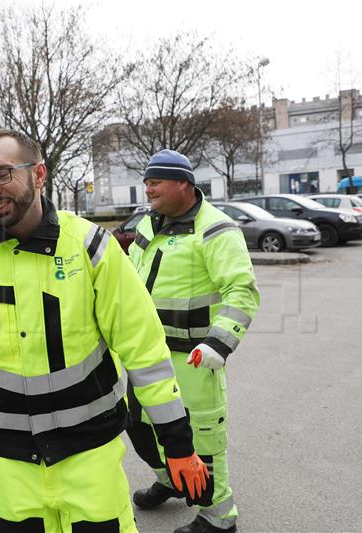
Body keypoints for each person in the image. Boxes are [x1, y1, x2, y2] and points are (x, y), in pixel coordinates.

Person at [0, 130, 209, 532]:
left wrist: (178, 445)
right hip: (10, 468)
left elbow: (144, 351)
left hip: (90, 457)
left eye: (3, 173)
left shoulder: (91, 247)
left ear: (39, 174)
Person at [125, 150, 260, 533]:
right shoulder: (149, 226)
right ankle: (173, 479)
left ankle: (219, 517)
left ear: (183, 183)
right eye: (146, 181)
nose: (148, 188)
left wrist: (219, 343)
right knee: (140, 424)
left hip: (195, 357)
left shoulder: (216, 228)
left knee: (203, 439)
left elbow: (242, 291)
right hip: (145, 354)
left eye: (156, 182)